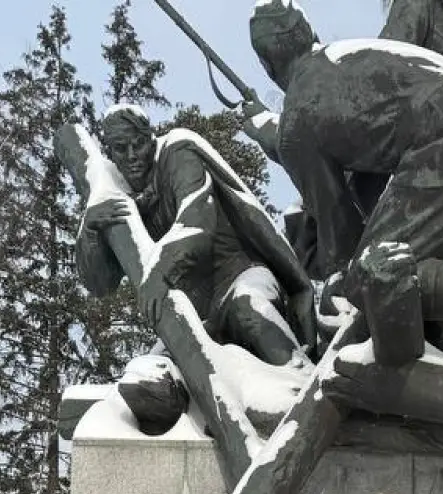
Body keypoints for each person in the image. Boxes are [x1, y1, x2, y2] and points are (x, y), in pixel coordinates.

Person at [249, 0, 443, 381]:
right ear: (309, 35)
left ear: (267, 64)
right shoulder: (349, 56)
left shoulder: (296, 121)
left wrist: (338, 283)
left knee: (374, 274)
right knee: (441, 282)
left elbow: (338, 231)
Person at [80, 104, 315, 367]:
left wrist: (160, 271)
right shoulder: (121, 197)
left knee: (249, 308)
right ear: (111, 152)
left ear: (151, 139)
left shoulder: (178, 152)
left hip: (240, 275)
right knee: (149, 371)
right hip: (197, 313)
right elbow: (101, 285)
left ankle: (301, 376)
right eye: (121, 148)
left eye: (139, 144)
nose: (132, 156)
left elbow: (197, 222)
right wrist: (91, 233)